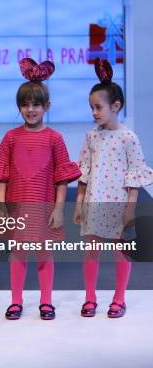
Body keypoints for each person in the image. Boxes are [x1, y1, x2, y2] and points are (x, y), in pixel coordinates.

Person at [0, 58, 80, 320]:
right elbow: (1, 175)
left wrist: (59, 209)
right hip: (17, 206)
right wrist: (2, 207)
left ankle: (46, 302)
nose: (30, 110)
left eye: (36, 104)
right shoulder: (11, 137)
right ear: (19, 107)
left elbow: (62, 177)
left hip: (45, 206)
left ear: (46, 106)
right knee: (18, 252)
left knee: (44, 253)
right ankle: (16, 301)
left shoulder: (54, 139)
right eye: (25, 105)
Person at [74, 58, 153, 318]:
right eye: (91, 108)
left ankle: (119, 299)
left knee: (122, 252)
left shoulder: (128, 137)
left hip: (119, 205)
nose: (94, 112)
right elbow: (83, 172)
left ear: (115, 106)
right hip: (94, 202)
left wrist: (130, 207)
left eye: (98, 107)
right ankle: (90, 298)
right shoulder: (91, 136)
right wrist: (79, 203)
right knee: (91, 251)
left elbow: (135, 173)